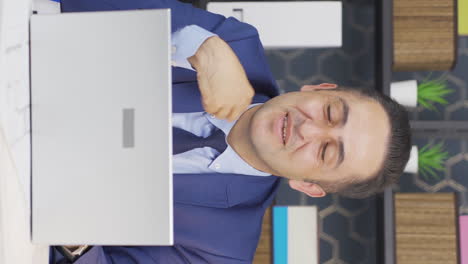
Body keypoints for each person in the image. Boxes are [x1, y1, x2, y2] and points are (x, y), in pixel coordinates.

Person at [51, 0, 411, 263]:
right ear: (317, 90)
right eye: (330, 113)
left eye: (326, 152)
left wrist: (76, 224)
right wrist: (196, 46)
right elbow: (62, 6)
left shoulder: (222, 251)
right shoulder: (233, 41)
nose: (309, 128)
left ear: (308, 186)